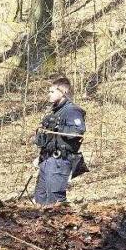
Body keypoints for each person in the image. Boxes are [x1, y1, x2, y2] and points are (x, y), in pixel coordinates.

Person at [33, 75, 87, 205]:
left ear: (64, 92)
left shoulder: (72, 111)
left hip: (60, 161)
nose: (49, 94)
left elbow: (78, 131)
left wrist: (59, 128)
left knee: (55, 202)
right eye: (49, 91)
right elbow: (50, 139)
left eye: (52, 91)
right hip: (47, 159)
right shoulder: (55, 111)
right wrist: (39, 157)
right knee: (40, 198)